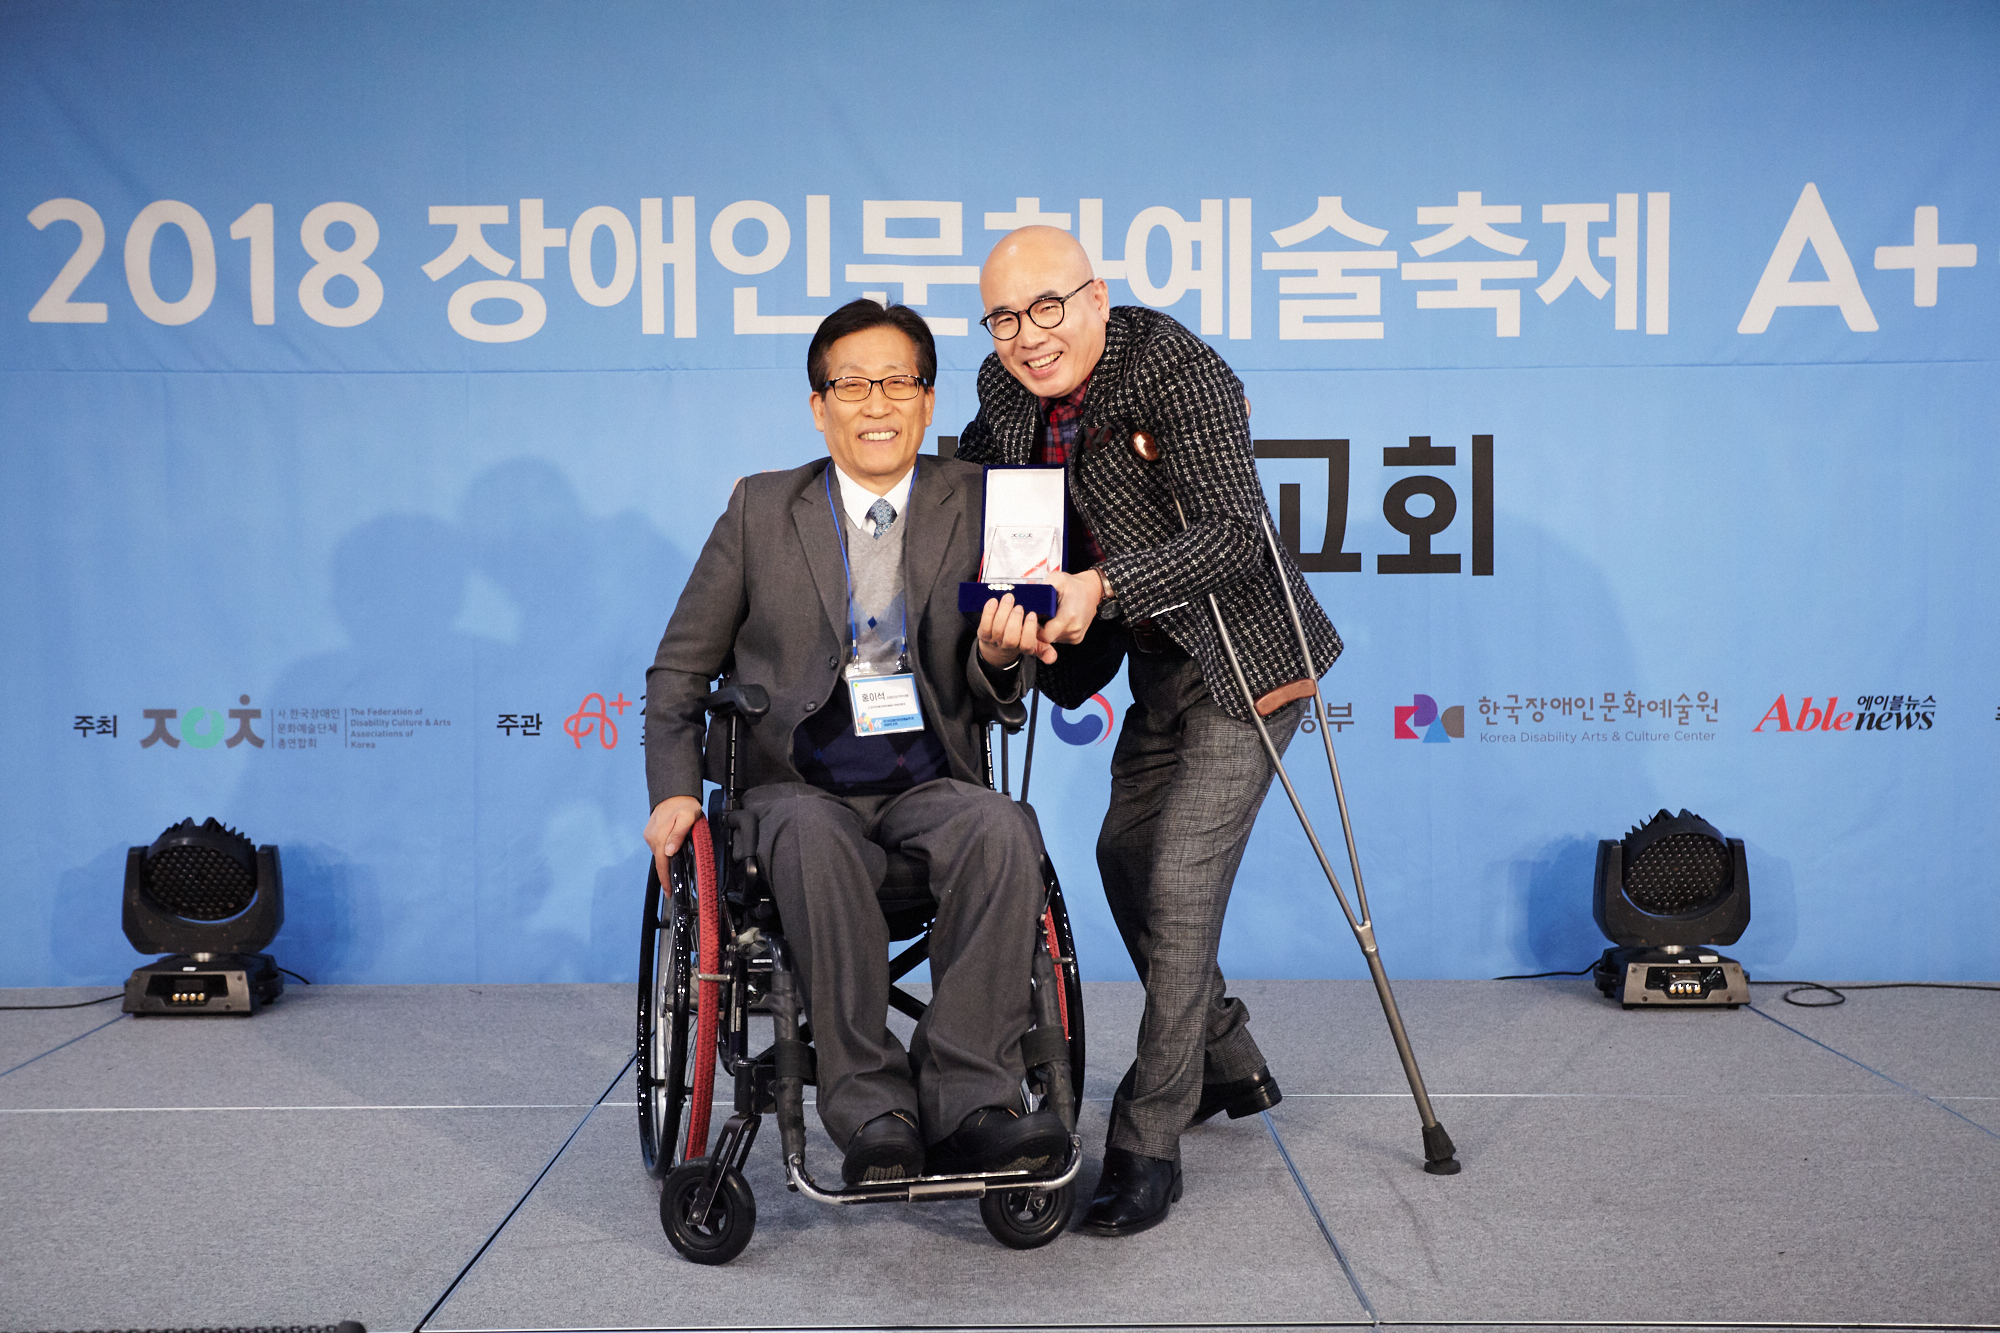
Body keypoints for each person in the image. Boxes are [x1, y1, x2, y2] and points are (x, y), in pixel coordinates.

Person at [958, 226, 1342, 1236]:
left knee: (1176, 887)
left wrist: (1102, 585)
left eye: (1048, 307)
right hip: (1156, 668)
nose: (1028, 337)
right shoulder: (1005, 392)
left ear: (1095, 297)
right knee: (1123, 855)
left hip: (1244, 660)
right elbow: (973, 484)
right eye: (1003, 318)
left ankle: (1148, 1139)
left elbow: (1233, 532)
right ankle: (1225, 1053)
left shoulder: (1170, 364)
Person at [643, 299, 1065, 1188]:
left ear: (928, 398)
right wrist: (674, 791)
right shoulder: (761, 509)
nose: (877, 403)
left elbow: (1003, 680)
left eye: (899, 382)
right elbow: (680, 670)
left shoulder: (981, 501)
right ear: (818, 405)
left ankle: (971, 1097)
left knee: (1003, 828)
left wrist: (999, 656)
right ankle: (872, 1105)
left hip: (928, 777)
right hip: (796, 786)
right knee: (811, 836)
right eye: (852, 384)